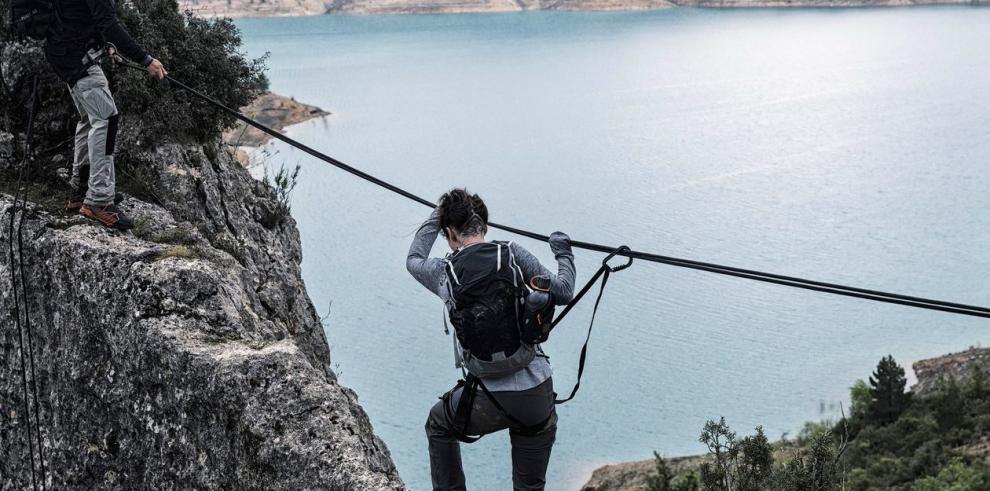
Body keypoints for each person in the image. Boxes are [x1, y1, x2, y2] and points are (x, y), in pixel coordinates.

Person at [406, 188, 576, 490]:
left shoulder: (443, 272)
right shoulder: (512, 253)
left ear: (448, 232)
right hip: (535, 393)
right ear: (484, 227)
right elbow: (563, 291)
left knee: (439, 424)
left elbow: (414, 259)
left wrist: (439, 211)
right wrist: (563, 253)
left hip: (485, 398)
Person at [44, 0, 167, 230]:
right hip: (77, 59)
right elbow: (109, 23)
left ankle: (81, 189)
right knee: (106, 119)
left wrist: (105, 45)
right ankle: (98, 200)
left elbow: (77, 14)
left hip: (64, 54)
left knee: (89, 119)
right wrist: (145, 59)